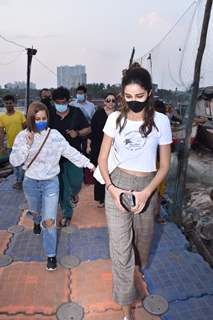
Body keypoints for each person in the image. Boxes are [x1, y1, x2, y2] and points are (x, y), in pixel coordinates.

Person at [98, 65, 172, 320]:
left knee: (141, 244)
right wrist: (112, 188)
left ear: (149, 94)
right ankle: (126, 308)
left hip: (147, 187)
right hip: (117, 184)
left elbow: (164, 166)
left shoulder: (161, 121)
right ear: (122, 95)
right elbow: (102, 158)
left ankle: (135, 274)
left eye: (139, 96)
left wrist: (147, 193)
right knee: (121, 251)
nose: (133, 101)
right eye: (128, 97)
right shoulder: (114, 119)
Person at [9, 102, 94, 271]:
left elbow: (70, 151)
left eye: (44, 118)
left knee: (49, 220)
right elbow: (14, 161)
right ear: (31, 119)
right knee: (36, 211)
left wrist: (89, 164)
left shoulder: (54, 135)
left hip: (50, 183)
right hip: (31, 182)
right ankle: (35, 219)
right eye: (37, 119)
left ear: (48, 118)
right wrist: (27, 144)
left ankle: (50, 255)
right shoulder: (23, 136)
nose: (41, 121)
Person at [49, 86, 91, 227]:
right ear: (54, 101)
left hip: (73, 155)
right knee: (61, 187)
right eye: (58, 102)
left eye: (63, 102)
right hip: (56, 158)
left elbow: (88, 129)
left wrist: (77, 133)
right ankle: (67, 214)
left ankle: (74, 193)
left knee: (75, 183)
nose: (60, 105)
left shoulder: (76, 112)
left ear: (68, 101)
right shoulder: (49, 114)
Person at [88, 93, 116, 207]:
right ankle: (101, 199)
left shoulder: (118, 115)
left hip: (113, 149)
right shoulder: (98, 114)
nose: (110, 103)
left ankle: (111, 197)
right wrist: (88, 145)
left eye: (113, 100)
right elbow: (92, 130)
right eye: (108, 100)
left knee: (113, 173)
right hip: (97, 147)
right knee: (100, 172)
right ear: (104, 102)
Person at [0, 94, 26, 189]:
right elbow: (1, 133)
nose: (8, 105)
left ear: (14, 104)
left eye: (10, 103)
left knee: (21, 164)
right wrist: (2, 146)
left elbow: (25, 129)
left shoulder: (20, 115)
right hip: (10, 145)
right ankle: (18, 180)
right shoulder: (2, 117)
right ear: (4, 104)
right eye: (6, 103)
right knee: (14, 164)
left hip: (21, 145)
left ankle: (20, 181)